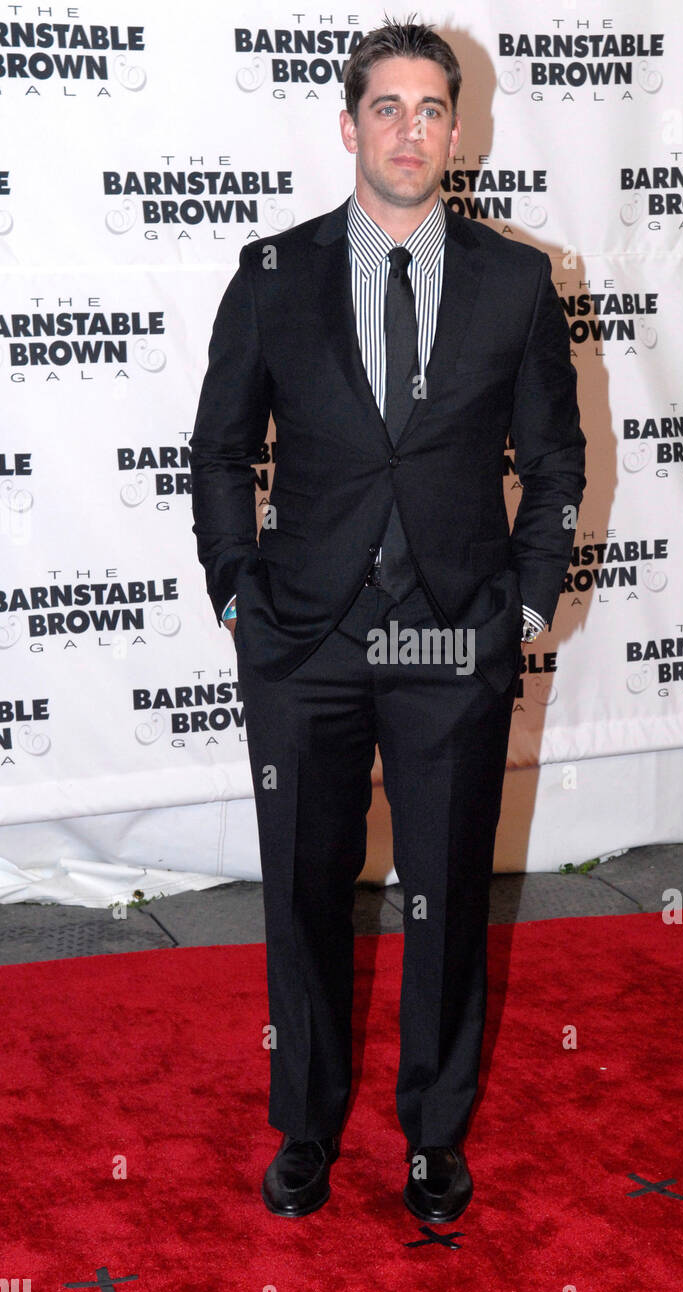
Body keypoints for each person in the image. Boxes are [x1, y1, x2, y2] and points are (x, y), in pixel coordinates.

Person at [188, 16, 586, 1223]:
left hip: (451, 644)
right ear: (347, 123)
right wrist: (233, 587)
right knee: (303, 892)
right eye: (386, 108)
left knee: (447, 900)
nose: (407, 131)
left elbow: (557, 465)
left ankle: (432, 1138)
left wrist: (519, 602)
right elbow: (216, 450)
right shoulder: (271, 274)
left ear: (456, 132)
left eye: (429, 111)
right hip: (305, 641)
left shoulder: (517, 281)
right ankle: (304, 1124)